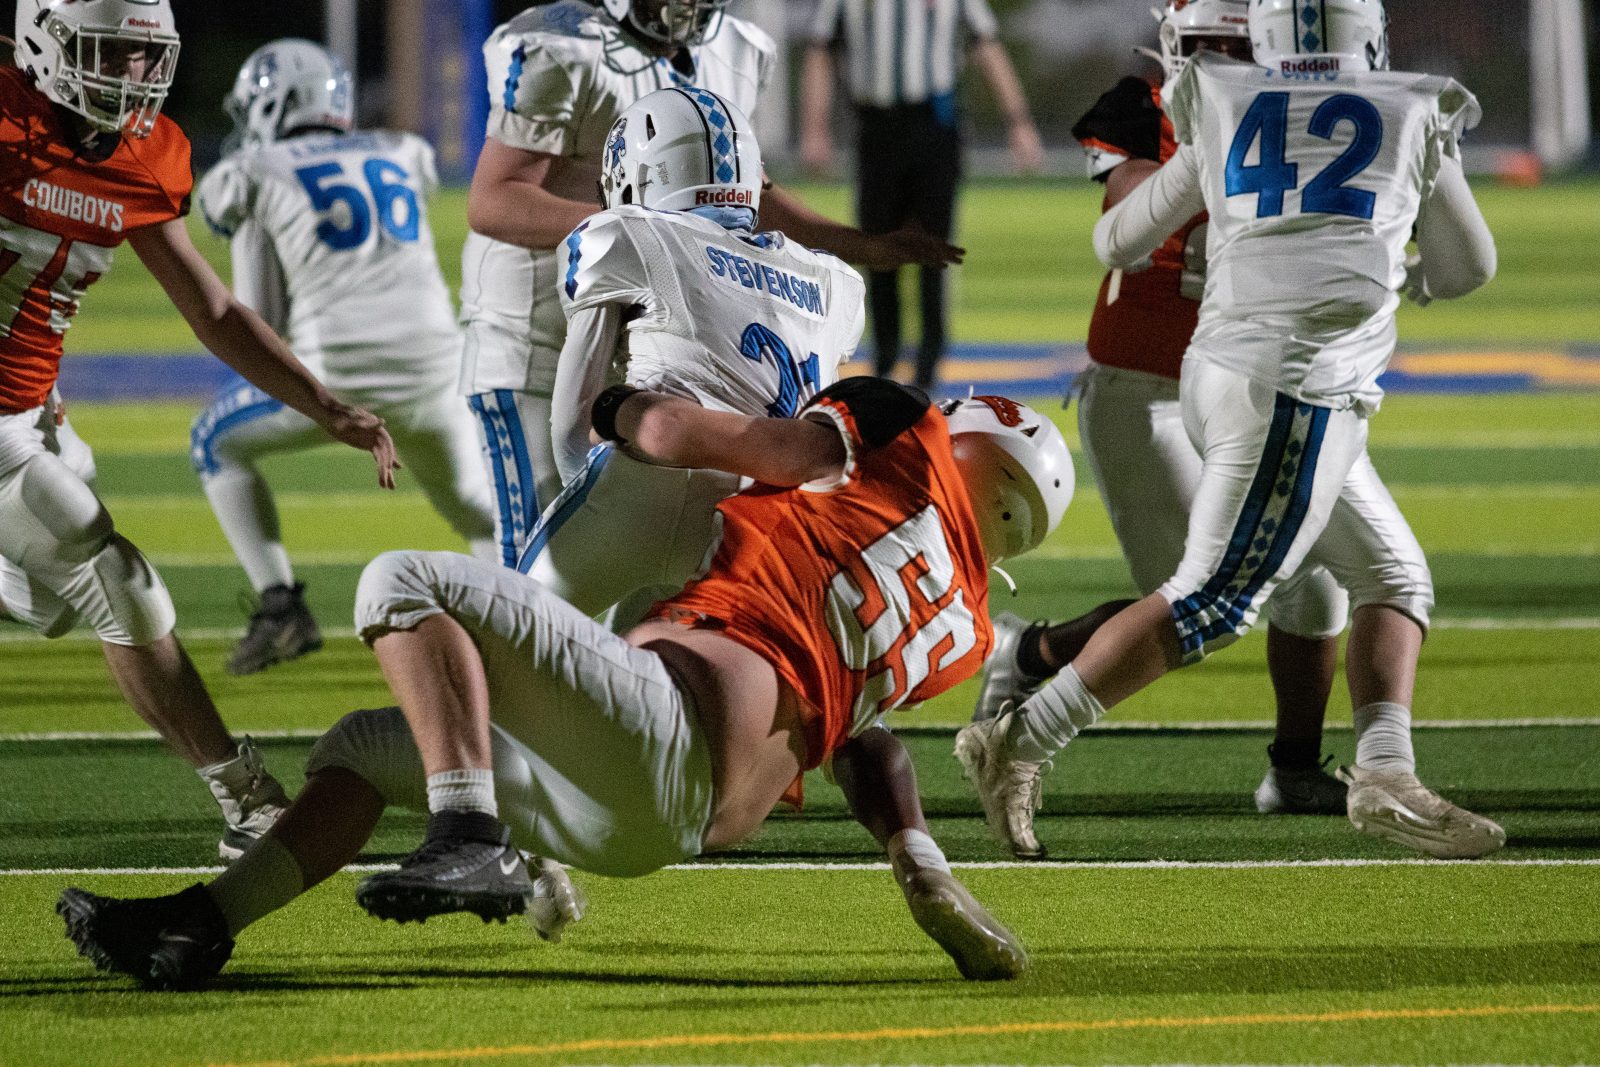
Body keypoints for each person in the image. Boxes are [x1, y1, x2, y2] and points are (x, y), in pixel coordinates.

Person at [59, 378, 1075, 990]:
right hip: (660, 826)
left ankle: (471, 837)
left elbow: (709, 439)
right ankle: (205, 921)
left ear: (974, 429)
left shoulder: (907, 432)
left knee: (400, 579)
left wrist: (616, 403)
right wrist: (923, 866)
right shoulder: (961, 628)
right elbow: (868, 744)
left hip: (663, 716)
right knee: (362, 746)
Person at [955, 0, 1505, 861]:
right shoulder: (1413, 103)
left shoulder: (1220, 103)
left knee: (1391, 575)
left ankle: (1384, 772)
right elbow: (1471, 265)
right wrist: (1398, 253)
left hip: (1221, 367)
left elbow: (1121, 235)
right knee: (1208, 602)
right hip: (1295, 381)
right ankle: (1021, 740)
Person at [1, 0, 395, 860]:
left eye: (145, 58)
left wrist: (323, 403)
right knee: (116, 575)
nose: (129, 76)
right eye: (109, 52)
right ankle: (244, 795)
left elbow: (213, 309)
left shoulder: (145, 153)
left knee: (49, 598)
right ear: (43, 41)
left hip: (32, 409)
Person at [982, 0, 1347, 825]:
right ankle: (1033, 653)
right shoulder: (1139, 105)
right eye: (1217, 40)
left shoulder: (1305, 109)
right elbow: (1132, 218)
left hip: (1257, 380)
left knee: (1318, 587)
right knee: (1192, 605)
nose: (1231, 53)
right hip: (1145, 386)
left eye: (1241, 37)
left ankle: (1293, 768)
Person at [460, 0, 962, 566]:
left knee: (669, 575)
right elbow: (494, 199)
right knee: (537, 573)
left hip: (660, 354)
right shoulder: (561, 49)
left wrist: (857, 244)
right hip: (540, 342)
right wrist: (648, 239)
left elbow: (745, 196)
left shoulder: (738, 51)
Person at [188, 40, 497, 677]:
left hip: (338, 382)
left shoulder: (254, 171)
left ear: (275, 103)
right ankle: (527, 633)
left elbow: (260, 326)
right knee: (478, 511)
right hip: (438, 372)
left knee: (213, 441)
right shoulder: (400, 150)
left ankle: (280, 605)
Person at [525, 87, 865, 627]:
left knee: (502, 648)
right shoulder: (832, 280)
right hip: (766, 521)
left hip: (646, 487)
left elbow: (572, 424)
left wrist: (594, 494)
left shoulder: (630, 234)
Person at [800, 0, 1043, 390]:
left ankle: (930, 365)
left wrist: (1018, 121)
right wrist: (815, 127)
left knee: (935, 249)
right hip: (876, 127)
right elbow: (820, 47)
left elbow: (986, 43)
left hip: (934, 124)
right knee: (875, 247)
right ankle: (884, 361)